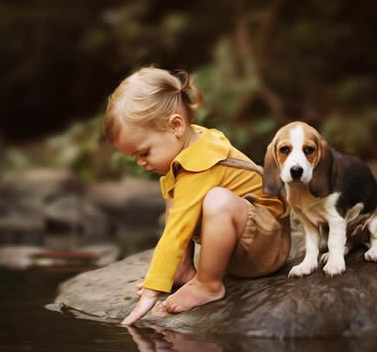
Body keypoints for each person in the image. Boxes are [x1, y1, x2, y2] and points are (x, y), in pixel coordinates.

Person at [103, 66, 290, 325]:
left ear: (176, 126)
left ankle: (208, 285)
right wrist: (166, 274)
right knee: (176, 185)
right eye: (134, 156)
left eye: (144, 152)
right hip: (239, 245)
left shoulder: (202, 162)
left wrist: (152, 290)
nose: (140, 162)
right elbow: (178, 215)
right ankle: (183, 269)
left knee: (216, 199)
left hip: (266, 247)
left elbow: (177, 231)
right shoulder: (187, 147)